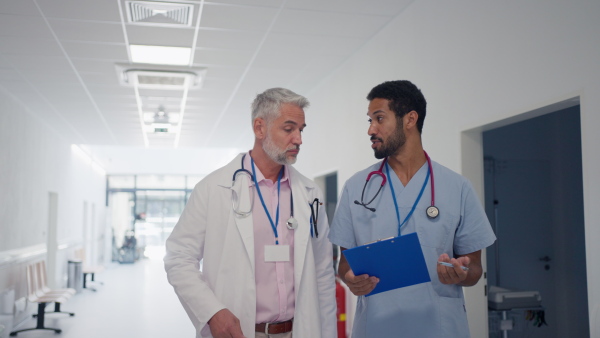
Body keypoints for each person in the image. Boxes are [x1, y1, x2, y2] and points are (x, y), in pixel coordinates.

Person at [164, 88, 337, 338]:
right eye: (289, 129)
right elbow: (178, 258)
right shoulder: (214, 189)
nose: (299, 139)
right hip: (241, 331)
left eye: (301, 130)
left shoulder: (310, 194)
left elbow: (322, 271)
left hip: (299, 330)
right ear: (259, 128)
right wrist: (212, 312)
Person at [329, 80, 496, 337]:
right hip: (376, 325)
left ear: (410, 119)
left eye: (379, 118)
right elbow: (344, 263)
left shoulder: (457, 187)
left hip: (439, 327)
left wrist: (462, 271)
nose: (371, 129)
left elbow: (475, 268)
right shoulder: (356, 187)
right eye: (369, 120)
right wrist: (350, 279)